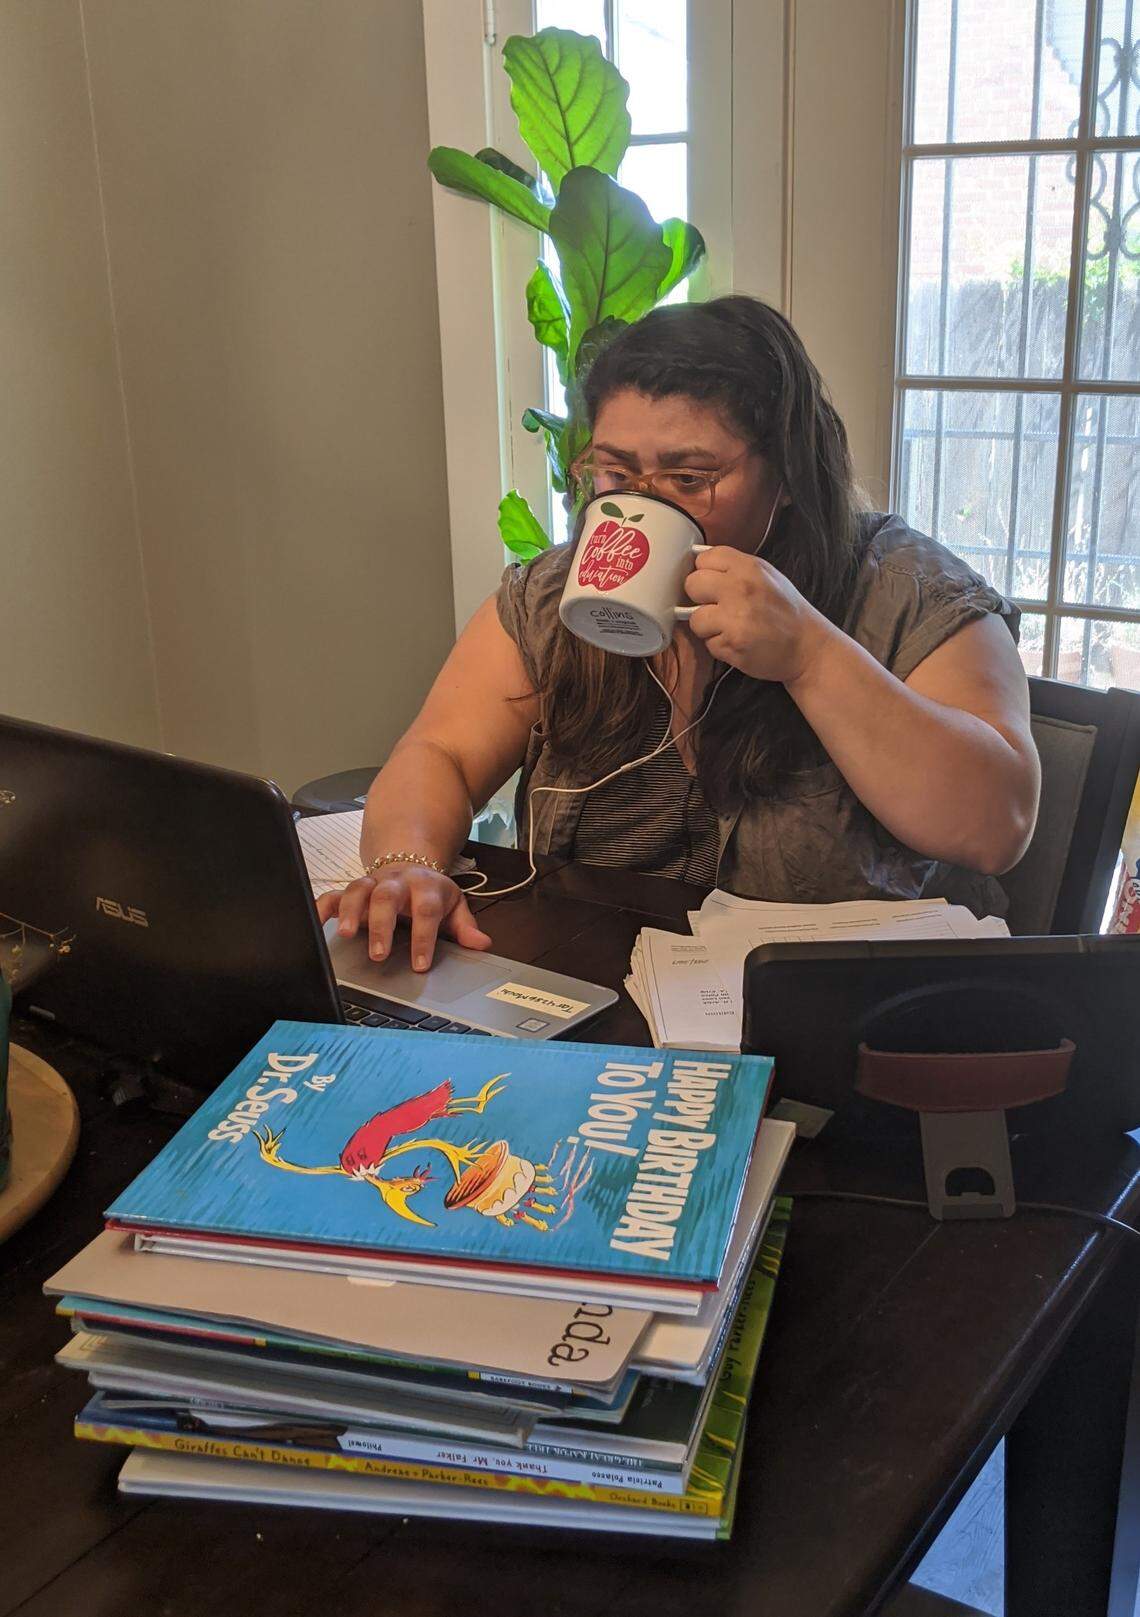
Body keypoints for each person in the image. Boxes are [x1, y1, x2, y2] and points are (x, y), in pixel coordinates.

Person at [320, 296, 1040, 971]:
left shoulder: (905, 589)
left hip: (846, 1026)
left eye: (687, 478)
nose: (640, 503)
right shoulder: (552, 596)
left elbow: (996, 822)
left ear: (785, 476)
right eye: (615, 470)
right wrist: (406, 863)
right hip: (598, 1001)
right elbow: (439, 750)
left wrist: (812, 656)